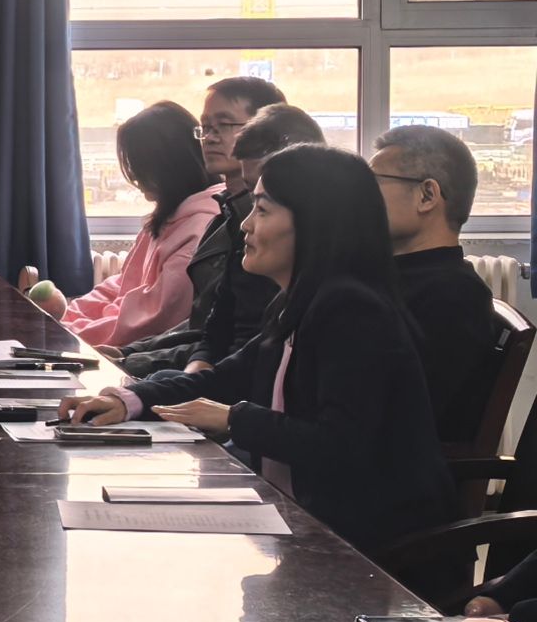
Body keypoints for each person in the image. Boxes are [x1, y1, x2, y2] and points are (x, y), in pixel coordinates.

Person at [60, 145, 456, 555]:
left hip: (372, 549)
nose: (246, 225)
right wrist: (128, 399)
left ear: (314, 223)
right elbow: (224, 378)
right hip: (306, 520)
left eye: (262, 210)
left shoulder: (353, 311)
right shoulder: (299, 300)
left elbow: (340, 446)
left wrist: (233, 418)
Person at [111, 76, 289, 377]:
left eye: (224, 124)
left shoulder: (270, 228)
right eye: (205, 127)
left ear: (263, 131)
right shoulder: (223, 216)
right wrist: (129, 353)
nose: (210, 137)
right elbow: (206, 324)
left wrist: (135, 361)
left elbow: (238, 343)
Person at [29, 101, 218, 347]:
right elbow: (122, 285)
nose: (136, 180)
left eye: (140, 168)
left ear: (167, 166)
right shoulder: (165, 218)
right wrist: (69, 317)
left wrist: (70, 334)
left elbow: (151, 319)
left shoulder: (199, 231)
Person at [370, 125, 501, 445]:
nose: (360, 198)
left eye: (373, 184)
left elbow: (401, 416)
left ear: (427, 195)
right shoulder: (391, 276)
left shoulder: (455, 296)